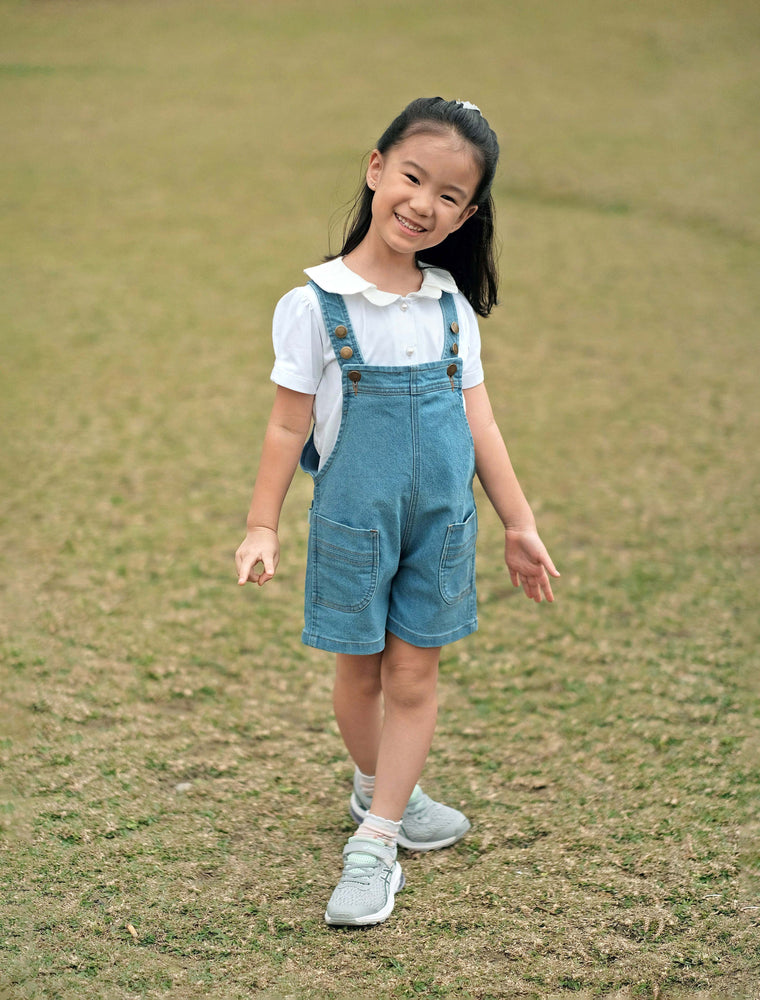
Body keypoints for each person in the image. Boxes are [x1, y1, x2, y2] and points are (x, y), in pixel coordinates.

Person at [235, 97, 559, 928]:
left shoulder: (450, 305)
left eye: (449, 196)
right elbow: (286, 423)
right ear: (376, 169)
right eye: (413, 178)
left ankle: (377, 842)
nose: (424, 203)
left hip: (443, 525)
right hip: (354, 520)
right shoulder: (313, 304)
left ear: (468, 215)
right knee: (361, 672)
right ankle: (383, 788)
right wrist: (262, 524)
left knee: (415, 674)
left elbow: (479, 421)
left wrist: (518, 523)